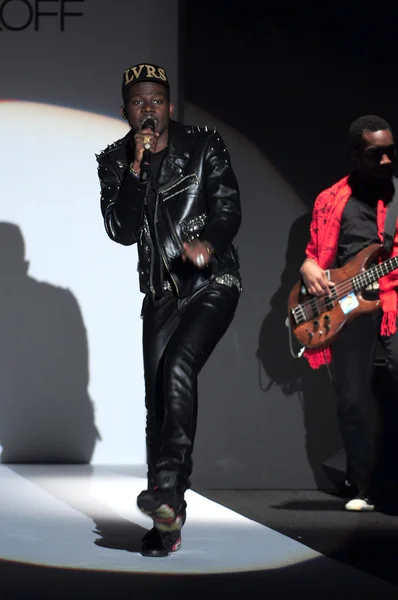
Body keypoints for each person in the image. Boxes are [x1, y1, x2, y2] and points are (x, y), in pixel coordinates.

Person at [96, 63, 242, 556]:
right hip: (160, 294)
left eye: (157, 101)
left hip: (209, 282)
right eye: (139, 103)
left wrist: (208, 240)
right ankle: (167, 520)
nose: (149, 110)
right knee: (157, 402)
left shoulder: (204, 145)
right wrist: (136, 171)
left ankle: (164, 490)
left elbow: (228, 207)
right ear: (125, 112)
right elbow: (119, 229)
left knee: (180, 365)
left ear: (170, 106)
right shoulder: (116, 160)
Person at [300, 115, 398, 512]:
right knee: (352, 399)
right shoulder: (330, 199)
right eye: (377, 155)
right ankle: (362, 487)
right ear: (356, 154)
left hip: (393, 299)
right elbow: (314, 256)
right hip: (346, 305)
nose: (388, 161)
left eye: (392, 152)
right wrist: (307, 268)